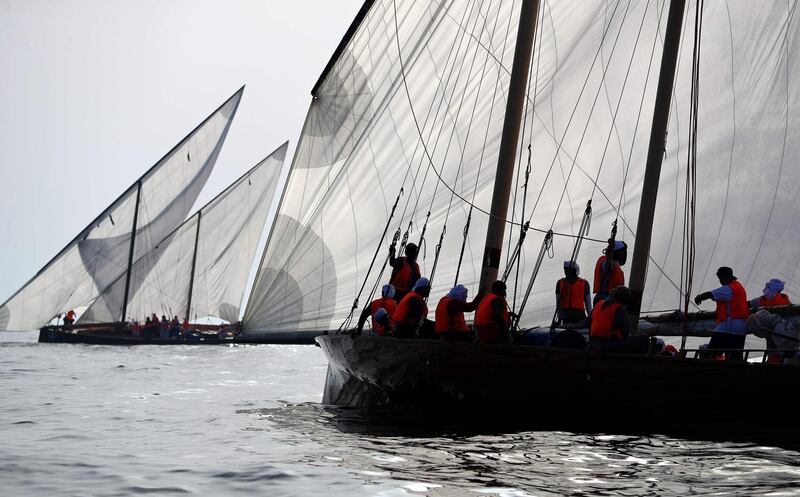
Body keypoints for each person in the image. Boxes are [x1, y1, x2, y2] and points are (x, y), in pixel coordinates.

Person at [694, 266, 749, 361]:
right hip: (740, 327)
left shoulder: (728, 289)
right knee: (735, 357)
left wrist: (699, 297)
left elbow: (711, 294)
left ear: (725, 276)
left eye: (720, 278)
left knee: (711, 353)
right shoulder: (738, 286)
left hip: (727, 326)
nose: (720, 280)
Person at [588, 286, 648, 353]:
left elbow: (588, 323)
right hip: (607, 345)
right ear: (622, 298)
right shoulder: (619, 309)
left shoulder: (598, 304)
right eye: (627, 298)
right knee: (644, 338)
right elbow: (625, 333)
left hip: (594, 344)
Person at [555, 261, 592, 326]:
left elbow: (588, 305)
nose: (566, 272)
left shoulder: (584, 283)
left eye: (567, 270)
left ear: (574, 271)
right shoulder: (560, 283)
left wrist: (591, 319)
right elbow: (558, 304)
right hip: (565, 317)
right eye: (565, 270)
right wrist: (559, 319)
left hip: (579, 316)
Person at [593, 239, 627, 304]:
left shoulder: (617, 267)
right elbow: (606, 267)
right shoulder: (604, 261)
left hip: (613, 300)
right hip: (605, 300)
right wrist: (609, 256)